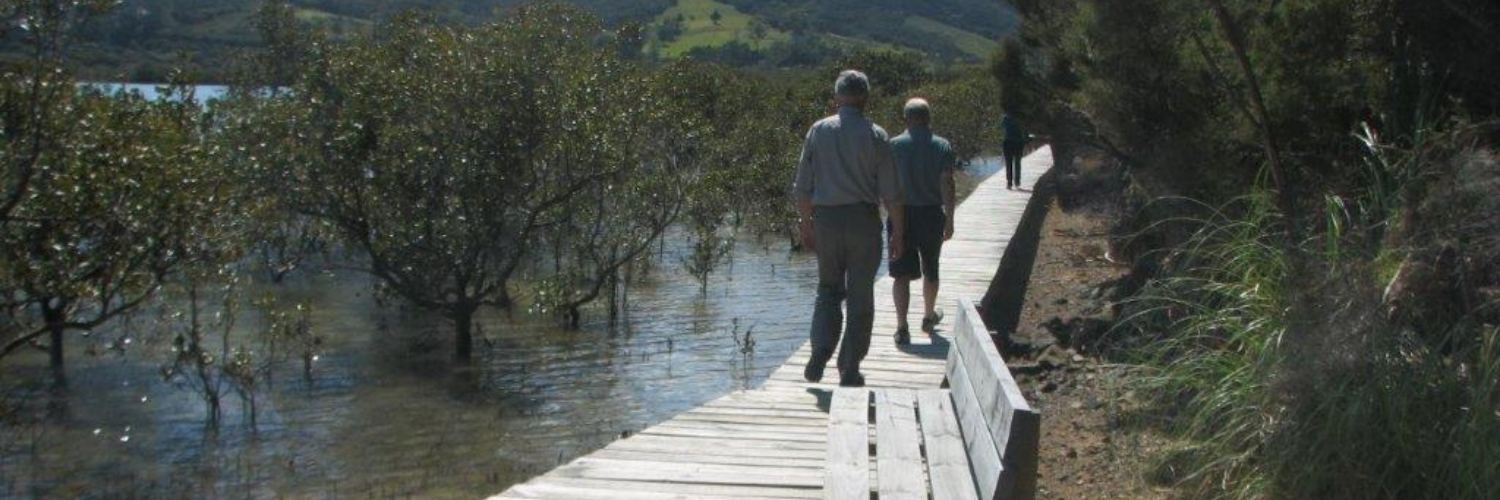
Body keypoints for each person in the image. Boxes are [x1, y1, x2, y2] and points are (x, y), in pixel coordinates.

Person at [793, 70, 905, 388]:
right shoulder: (877, 135)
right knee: (860, 295)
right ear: (865, 97)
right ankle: (850, 366)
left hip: (826, 220)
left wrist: (806, 224)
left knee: (828, 290)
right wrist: (898, 232)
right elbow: (892, 193)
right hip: (863, 222)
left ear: (837, 97)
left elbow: (803, 187)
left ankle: (821, 348)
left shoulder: (818, 130)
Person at [888, 98, 956, 345]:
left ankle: (901, 327)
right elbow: (947, 183)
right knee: (931, 269)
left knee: (900, 274)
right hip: (931, 214)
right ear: (929, 118)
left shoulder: (893, 145)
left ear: (906, 118)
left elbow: (885, 184)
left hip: (901, 215)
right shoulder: (942, 146)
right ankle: (928, 316)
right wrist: (949, 218)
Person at [1000, 111, 1028, 189]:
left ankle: (1009, 183)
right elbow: (1025, 130)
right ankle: (1017, 182)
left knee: (1008, 163)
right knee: (1017, 163)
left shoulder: (1006, 117)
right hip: (1018, 142)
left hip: (1008, 142)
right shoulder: (1021, 118)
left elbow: (1002, 126)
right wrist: (1026, 139)